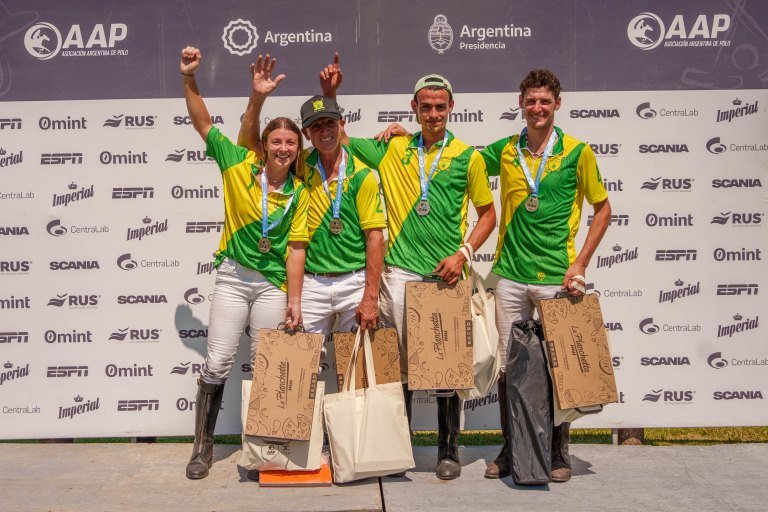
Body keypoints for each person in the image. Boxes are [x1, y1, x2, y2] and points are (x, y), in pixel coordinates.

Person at [322, 57, 497, 480]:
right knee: (396, 367)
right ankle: (394, 449)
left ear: (451, 106)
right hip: (398, 274)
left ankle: (448, 451)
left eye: (440, 107)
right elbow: (339, 138)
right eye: (425, 107)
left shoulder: (467, 157)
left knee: (447, 367)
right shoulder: (394, 148)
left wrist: (464, 254)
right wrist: (330, 95)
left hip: (445, 276)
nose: (433, 114)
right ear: (413, 108)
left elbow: (488, 214)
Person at [179, 47, 310, 480]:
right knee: (216, 362)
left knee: (269, 365)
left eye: (291, 142)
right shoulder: (237, 165)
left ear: (297, 149)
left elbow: (294, 250)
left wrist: (294, 299)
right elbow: (202, 122)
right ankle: (203, 447)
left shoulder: (301, 191)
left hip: (273, 285)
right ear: (264, 143)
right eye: (277, 140)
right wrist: (189, 77)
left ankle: (263, 450)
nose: (284, 148)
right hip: (234, 278)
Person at [480, 69, 611, 483]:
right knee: (507, 367)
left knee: (561, 367)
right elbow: (458, 161)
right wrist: (398, 135)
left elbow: (603, 209)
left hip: (558, 275)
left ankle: (558, 452)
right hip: (511, 276)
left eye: (545, 101)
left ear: (557, 104)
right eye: (531, 101)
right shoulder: (504, 150)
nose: (537, 108)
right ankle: (511, 447)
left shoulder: (577, 151)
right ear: (520, 104)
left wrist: (581, 263)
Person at [238, 52, 386, 350]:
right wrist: (256, 98)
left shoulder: (362, 174)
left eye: (329, 124)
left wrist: (370, 297)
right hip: (311, 283)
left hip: (354, 281)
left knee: (357, 373)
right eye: (316, 127)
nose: (324, 132)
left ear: (340, 125)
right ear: (306, 133)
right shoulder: (298, 164)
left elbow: (375, 238)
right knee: (297, 370)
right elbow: (249, 149)